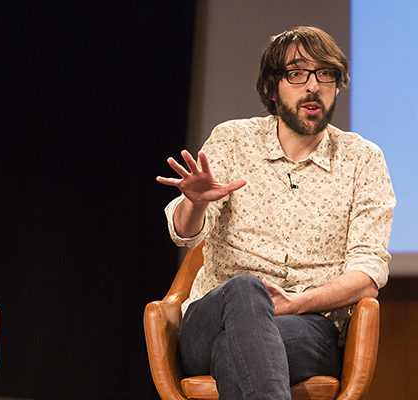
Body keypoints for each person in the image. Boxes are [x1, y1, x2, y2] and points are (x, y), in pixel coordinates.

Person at [156, 26, 394, 399]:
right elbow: (184, 233)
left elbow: (367, 276)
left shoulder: (362, 160)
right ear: (271, 87)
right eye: (297, 73)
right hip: (211, 316)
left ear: (337, 84)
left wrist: (296, 303)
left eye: (325, 73)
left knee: (235, 350)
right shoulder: (233, 141)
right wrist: (197, 203)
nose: (313, 86)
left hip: (307, 326)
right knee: (247, 291)